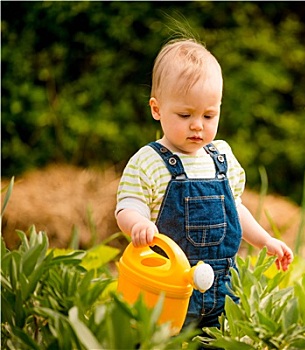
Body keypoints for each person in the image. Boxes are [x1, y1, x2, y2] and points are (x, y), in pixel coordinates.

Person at [115, 38, 294, 331]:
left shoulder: (222, 157)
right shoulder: (149, 161)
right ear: (157, 109)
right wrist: (137, 223)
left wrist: (265, 241)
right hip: (169, 285)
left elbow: (234, 210)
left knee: (223, 340)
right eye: (185, 115)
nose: (197, 124)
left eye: (209, 115)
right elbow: (127, 206)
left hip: (224, 287)